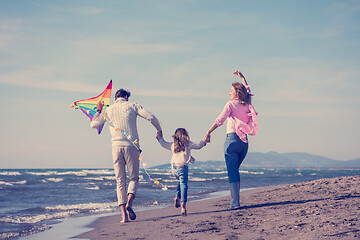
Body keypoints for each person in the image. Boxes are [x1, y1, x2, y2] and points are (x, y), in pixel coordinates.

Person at [90, 88, 162, 223]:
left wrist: (99, 110)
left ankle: (124, 217)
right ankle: (129, 202)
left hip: (116, 147)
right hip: (132, 147)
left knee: (120, 181)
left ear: (116, 98)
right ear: (126, 97)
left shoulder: (108, 110)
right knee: (133, 178)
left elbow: (93, 124)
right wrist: (159, 130)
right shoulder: (132, 105)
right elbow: (150, 117)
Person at [204, 71, 258, 210]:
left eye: (231, 91)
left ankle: (235, 203)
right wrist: (243, 78)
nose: (229, 93)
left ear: (236, 93)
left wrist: (209, 131)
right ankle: (235, 201)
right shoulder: (247, 104)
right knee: (235, 171)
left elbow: (220, 120)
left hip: (232, 141)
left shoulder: (230, 105)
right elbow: (249, 91)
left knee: (232, 172)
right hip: (244, 143)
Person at [156, 128, 208, 216]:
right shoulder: (189, 144)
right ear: (186, 135)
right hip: (182, 167)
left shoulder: (173, 145)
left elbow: (163, 144)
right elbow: (199, 145)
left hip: (173, 168)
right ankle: (183, 205)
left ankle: (177, 197)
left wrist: (159, 138)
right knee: (184, 185)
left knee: (180, 182)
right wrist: (205, 141)